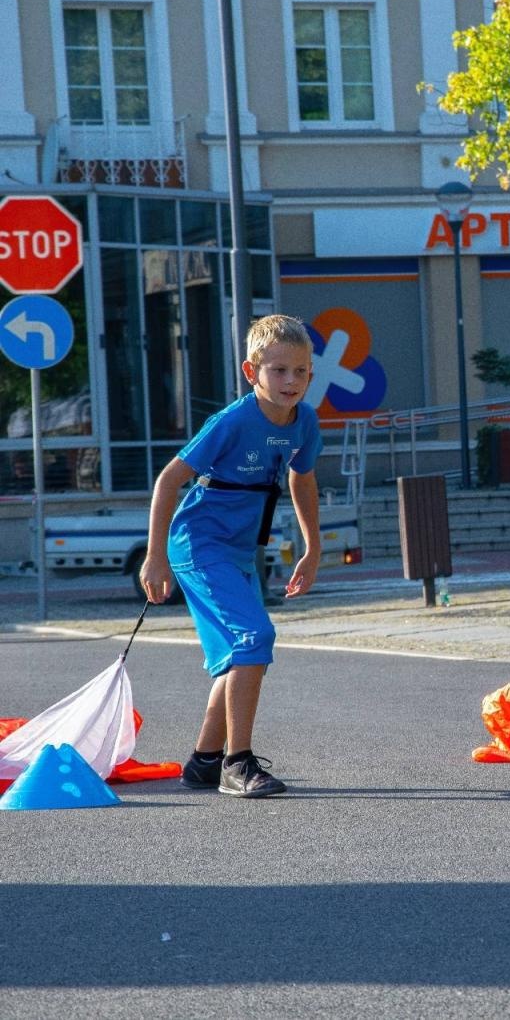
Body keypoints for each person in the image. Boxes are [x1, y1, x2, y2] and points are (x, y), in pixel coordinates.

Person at [140, 315, 324, 799]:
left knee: (244, 655)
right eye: (279, 370)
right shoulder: (231, 422)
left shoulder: (304, 421)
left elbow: (301, 479)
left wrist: (313, 547)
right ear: (252, 371)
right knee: (254, 637)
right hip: (198, 545)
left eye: (301, 371)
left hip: (241, 550)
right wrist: (154, 557)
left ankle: (203, 761)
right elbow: (168, 481)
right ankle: (235, 764)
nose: (291, 381)